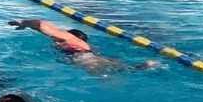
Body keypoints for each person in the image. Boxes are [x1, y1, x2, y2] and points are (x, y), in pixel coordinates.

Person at [9, 18, 143, 72]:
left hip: (85, 60)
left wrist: (23, 22)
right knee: (125, 69)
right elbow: (44, 28)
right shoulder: (81, 44)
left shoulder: (70, 38)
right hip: (92, 58)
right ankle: (144, 66)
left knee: (109, 79)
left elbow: (41, 24)